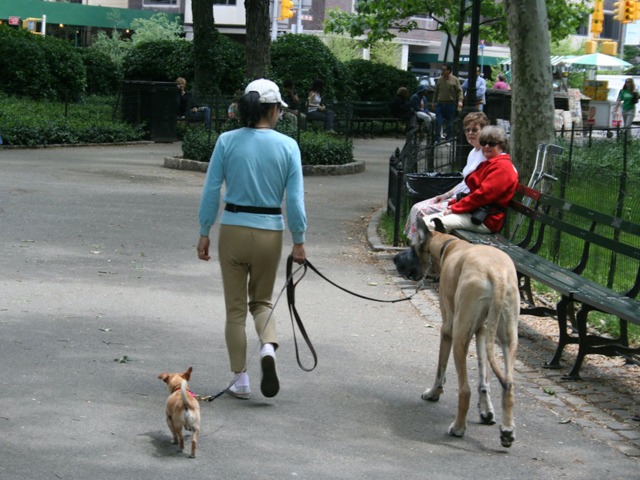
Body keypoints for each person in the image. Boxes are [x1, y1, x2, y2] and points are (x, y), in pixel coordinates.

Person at [197, 78, 307, 400]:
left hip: (232, 227)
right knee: (261, 302)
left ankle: (240, 379)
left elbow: (211, 190)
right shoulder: (288, 146)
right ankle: (268, 350)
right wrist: (298, 240)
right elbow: (296, 201)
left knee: (235, 310)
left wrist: (204, 230)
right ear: (272, 109)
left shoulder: (226, 141)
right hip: (270, 230)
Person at [404, 112, 490, 240]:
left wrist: (454, 203)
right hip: (457, 197)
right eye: (467, 130)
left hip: (466, 202)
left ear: (484, 131)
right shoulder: (473, 152)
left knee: (421, 212)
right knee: (415, 208)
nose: (470, 133)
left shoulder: (486, 154)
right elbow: (463, 182)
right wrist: (445, 195)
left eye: (474, 130)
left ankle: (422, 248)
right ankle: (415, 246)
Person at [422, 125, 518, 234]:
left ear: (501, 146)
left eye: (491, 143)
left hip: (485, 220)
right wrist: (454, 205)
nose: (486, 146)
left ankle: (422, 250)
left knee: (429, 225)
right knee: (424, 222)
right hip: (474, 212)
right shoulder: (490, 164)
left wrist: (454, 208)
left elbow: (482, 195)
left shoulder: (503, 168)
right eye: (483, 143)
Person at [432, 64, 464, 142]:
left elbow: (460, 91)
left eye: (444, 69)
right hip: (440, 103)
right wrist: (434, 102)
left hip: (450, 103)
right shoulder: (440, 80)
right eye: (442, 69)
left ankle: (448, 139)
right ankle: (437, 139)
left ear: (449, 71)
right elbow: (436, 92)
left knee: (450, 123)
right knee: (438, 121)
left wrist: (460, 100)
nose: (442, 71)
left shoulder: (454, 79)